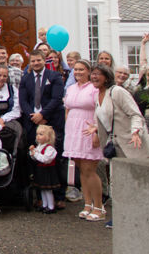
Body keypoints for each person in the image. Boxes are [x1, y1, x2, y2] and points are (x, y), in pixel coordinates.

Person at [86, 63, 149, 228]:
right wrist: (96, 128)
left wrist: (135, 131)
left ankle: (147, 217)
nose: (94, 77)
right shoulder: (97, 95)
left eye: (98, 74)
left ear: (107, 77)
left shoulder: (117, 92)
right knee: (118, 183)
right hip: (115, 146)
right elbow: (106, 118)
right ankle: (121, 216)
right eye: (93, 74)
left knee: (141, 183)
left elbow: (135, 114)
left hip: (133, 143)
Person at [18, 50, 65, 208]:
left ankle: (58, 197)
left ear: (44, 60)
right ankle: (40, 196)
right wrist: (33, 115)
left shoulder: (54, 77)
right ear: (29, 63)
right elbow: (23, 100)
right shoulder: (25, 79)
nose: (36, 63)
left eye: (39, 60)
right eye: (33, 61)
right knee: (36, 160)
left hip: (51, 121)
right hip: (32, 123)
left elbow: (57, 98)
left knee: (53, 160)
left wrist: (43, 115)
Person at [63, 59, 104, 221]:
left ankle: (99, 206)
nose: (78, 72)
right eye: (76, 70)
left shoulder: (94, 89)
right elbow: (67, 109)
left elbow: (100, 111)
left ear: (89, 71)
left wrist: (97, 133)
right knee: (81, 169)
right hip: (74, 131)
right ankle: (87, 204)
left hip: (89, 130)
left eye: (81, 70)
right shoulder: (71, 88)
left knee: (90, 169)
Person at [29, 124, 60, 214]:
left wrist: (35, 154)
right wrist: (32, 153)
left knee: (48, 189)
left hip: (48, 171)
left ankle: (51, 206)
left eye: (41, 134)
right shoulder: (39, 147)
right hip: (40, 170)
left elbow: (46, 159)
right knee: (42, 189)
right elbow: (36, 158)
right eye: (37, 134)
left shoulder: (50, 148)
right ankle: (44, 205)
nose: (38, 136)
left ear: (49, 137)